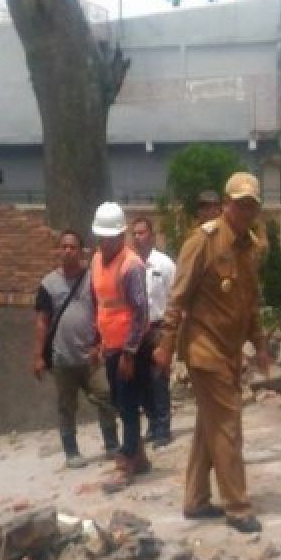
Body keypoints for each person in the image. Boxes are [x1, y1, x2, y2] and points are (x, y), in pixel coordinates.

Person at [153, 172, 271, 533]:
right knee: (228, 424)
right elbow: (178, 298)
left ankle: (196, 499)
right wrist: (165, 345)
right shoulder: (201, 242)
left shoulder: (250, 249)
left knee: (210, 426)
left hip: (230, 351)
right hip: (204, 348)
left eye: (251, 205)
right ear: (226, 205)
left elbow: (250, 305)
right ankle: (237, 507)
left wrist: (261, 345)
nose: (245, 211)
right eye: (239, 204)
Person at [33, 229, 119, 468]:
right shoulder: (48, 284)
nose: (68, 251)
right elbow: (42, 321)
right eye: (64, 247)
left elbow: (104, 312)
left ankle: (112, 444)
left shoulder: (93, 279)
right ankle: (71, 451)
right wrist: (38, 356)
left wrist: (101, 343)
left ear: (82, 251)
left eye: (73, 247)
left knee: (105, 396)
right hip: (63, 358)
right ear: (58, 250)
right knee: (66, 406)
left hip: (91, 357)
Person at [90, 202, 151, 492]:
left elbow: (140, 313)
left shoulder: (131, 266)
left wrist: (129, 352)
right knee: (119, 401)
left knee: (127, 404)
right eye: (102, 237)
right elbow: (101, 305)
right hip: (111, 345)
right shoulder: (97, 260)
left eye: (110, 237)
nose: (105, 242)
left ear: (121, 235)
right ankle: (138, 455)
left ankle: (126, 461)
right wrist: (99, 341)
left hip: (129, 348)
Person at [131, 216, 177, 446]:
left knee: (159, 378)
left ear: (152, 235)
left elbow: (176, 298)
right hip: (136, 330)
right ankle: (151, 422)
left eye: (142, 233)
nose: (139, 237)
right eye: (135, 233)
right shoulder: (130, 264)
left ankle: (163, 429)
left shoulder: (165, 265)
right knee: (140, 379)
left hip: (159, 328)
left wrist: (172, 333)